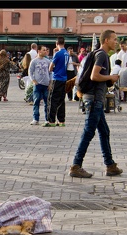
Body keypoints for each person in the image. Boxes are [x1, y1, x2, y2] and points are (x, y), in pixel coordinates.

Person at [69, 30, 122, 178]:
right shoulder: (102, 55)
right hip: (94, 99)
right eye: (114, 39)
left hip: (94, 98)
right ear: (105, 40)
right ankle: (76, 165)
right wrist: (111, 76)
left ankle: (110, 165)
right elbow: (94, 75)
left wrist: (109, 79)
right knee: (88, 132)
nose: (116, 42)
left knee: (104, 131)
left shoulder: (99, 54)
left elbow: (98, 77)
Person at [44, 36, 69, 127]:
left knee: (52, 99)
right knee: (61, 100)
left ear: (56, 43)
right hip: (64, 78)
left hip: (56, 78)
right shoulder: (66, 53)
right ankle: (61, 120)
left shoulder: (57, 54)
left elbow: (51, 67)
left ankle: (51, 120)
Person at [29, 45, 51, 126]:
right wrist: (33, 80)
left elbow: (51, 72)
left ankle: (47, 119)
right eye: (44, 50)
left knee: (47, 103)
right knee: (36, 101)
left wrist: (50, 82)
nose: (45, 51)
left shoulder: (48, 61)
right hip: (38, 84)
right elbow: (30, 72)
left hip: (46, 84)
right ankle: (35, 119)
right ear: (39, 51)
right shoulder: (34, 61)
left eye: (46, 50)